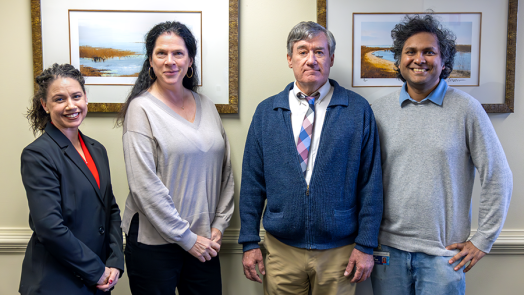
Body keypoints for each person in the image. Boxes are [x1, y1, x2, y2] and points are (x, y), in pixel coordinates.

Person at [370, 14, 513, 295]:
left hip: (443, 255)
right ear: (398, 61)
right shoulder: (378, 112)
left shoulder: (467, 110)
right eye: (410, 51)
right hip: (387, 252)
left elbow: (498, 175)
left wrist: (483, 239)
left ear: (444, 61)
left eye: (429, 52)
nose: (419, 59)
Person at [238, 21, 383, 295]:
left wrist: (365, 245)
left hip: (339, 252)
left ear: (331, 58)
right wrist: (248, 242)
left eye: (319, 51)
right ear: (290, 58)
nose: (311, 59)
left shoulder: (357, 110)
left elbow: (371, 183)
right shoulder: (267, 112)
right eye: (302, 51)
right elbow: (252, 183)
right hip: (281, 250)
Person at [117, 20, 234, 295]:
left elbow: (225, 172)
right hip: (153, 244)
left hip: (204, 240)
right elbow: (144, 186)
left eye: (178, 53)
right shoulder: (141, 109)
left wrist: (219, 223)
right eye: (161, 53)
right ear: (150, 61)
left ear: (190, 60)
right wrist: (187, 238)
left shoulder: (206, 105)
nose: (170, 61)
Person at [19, 63, 124, 294]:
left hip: (97, 280)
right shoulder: (37, 154)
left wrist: (115, 261)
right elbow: (49, 227)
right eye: (59, 99)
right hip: (57, 282)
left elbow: (111, 210)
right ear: (45, 105)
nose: (71, 105)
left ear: (86, 99)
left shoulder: (97, 150)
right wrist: (96, 271)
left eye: (76, 96)